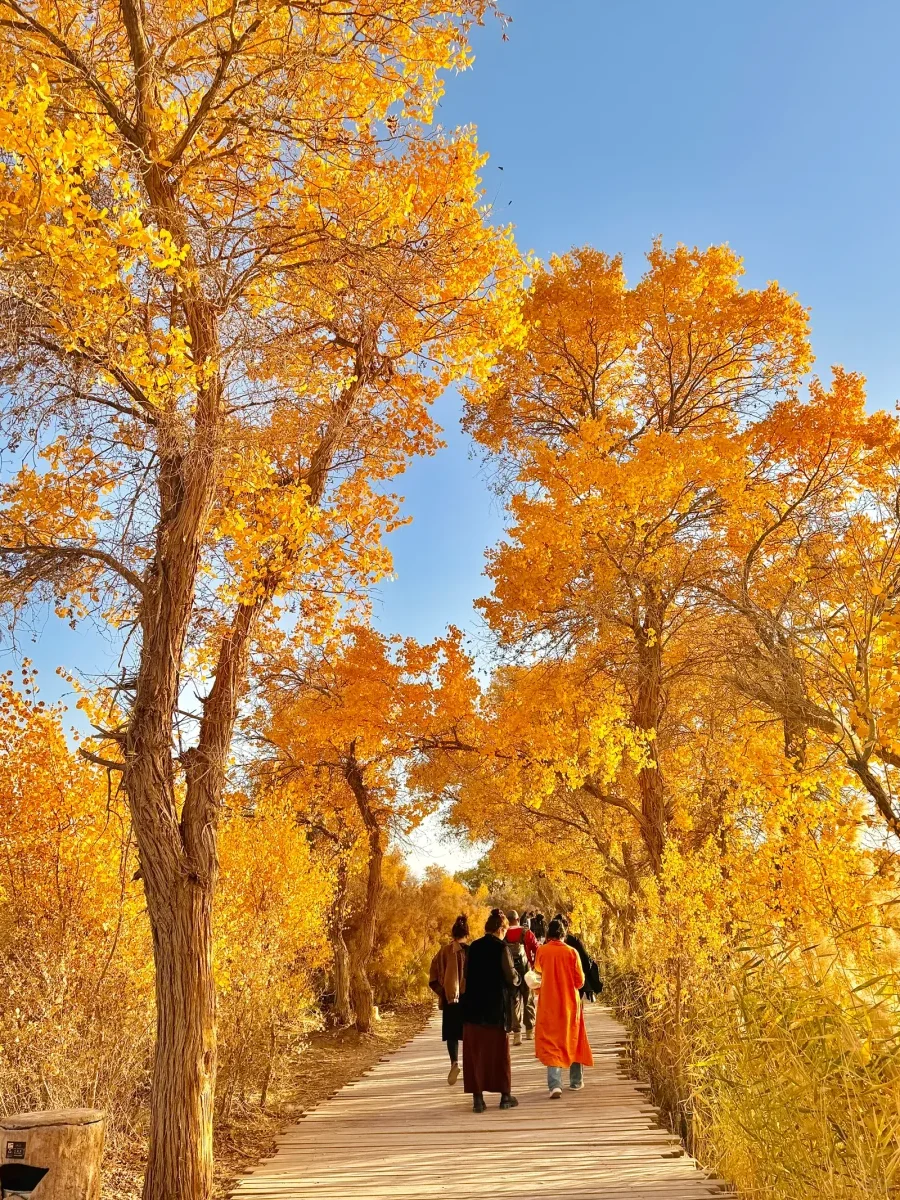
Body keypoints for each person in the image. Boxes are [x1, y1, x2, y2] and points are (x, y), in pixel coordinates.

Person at [461, 908, 520, 1113]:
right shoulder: (501, 948)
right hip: (496, 1008)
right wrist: (519, 980)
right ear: (501, 929)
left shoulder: (473, 947)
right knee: (499, 1053)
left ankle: (478, 1100)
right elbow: (511, 977)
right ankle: (505, 1096)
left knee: (476, 1054)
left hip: (473, 1008)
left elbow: (466, 975)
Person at [534, 916, 594, 1098]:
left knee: (552, 1040)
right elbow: (580, 981)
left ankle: (555, 1085)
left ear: (548, 934)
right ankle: (576, 1081)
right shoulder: (571, 952)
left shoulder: (542, 951)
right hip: (569, 1003)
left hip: (549, 1003)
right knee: (573, 1036)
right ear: (563, 933)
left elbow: (538, 970)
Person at [428, 914, 470, 1085]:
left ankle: (454, 1062)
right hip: (469, 999)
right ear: (467, 934)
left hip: (450, 999)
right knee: (469, 1034)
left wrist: (443, 992)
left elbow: (433, 977)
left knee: (452, 1034)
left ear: (453, 934)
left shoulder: (444, 952)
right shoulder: (472, 950)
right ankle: (470, 1065)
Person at [505, 909, 538, 1045]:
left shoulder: (504, 934)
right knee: (528, 999)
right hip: (526, 971)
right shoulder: (526, 933)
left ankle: (517, 1033)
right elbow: (537, 949)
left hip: (510, 972)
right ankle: (530, 1031)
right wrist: (535, 966)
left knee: (514, 1001)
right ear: (518, 919)